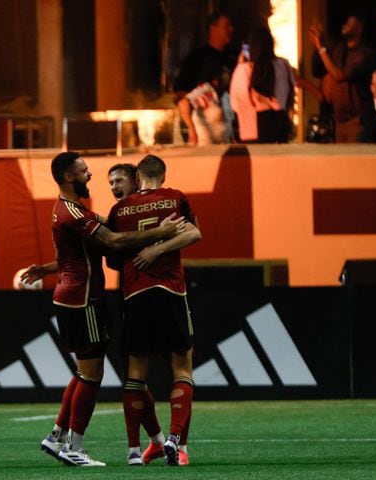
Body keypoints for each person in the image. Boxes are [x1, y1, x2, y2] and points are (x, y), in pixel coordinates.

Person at [31, 151, 185, 467]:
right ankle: (74, 447)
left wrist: (45, 269)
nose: (92, 176)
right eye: (85, 171)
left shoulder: (68, 210)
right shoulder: (74, 214)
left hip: (73, 295)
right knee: (92, 375)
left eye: (117, 180)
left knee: (84, 370)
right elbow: (113, 242)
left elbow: (73, 255)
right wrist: (162, 233)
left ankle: (58, 434)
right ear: (70, 177)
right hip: (82, 299)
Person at [107, 154, 201, 467]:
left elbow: (114, 253)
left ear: (138, 177)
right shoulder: (175, 199)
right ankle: (178, 443)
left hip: (135, 295)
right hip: (171, 292)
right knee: (182, 369)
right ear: (163, 175)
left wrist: (147, 249)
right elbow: (194, 233)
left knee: (135, 375)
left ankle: (134, 451)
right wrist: (162, 246)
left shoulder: (119, 210)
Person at [309, 15, 376, 143]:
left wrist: (321, 48)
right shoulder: (339, 49)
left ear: (359, 28)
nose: (344, 24)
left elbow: (339, 76)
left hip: (358, 121)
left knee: (356, 161)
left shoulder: (364, 54)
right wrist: (316, 37)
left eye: (349, 22)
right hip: (340, 122)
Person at [174, 12, 235, 145]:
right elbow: (181, 95)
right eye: (226, 26)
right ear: (213, 28)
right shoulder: (196, 58)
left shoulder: (231, 59)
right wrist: (191, 127)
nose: (231, 30)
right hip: (202, 132)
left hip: (224, 131)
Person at [230, 27, 295, 143]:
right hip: (279, 125)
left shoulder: (244, 70)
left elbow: (236, 104)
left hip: (251, 128)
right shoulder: (283, 65)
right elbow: (289, 96)